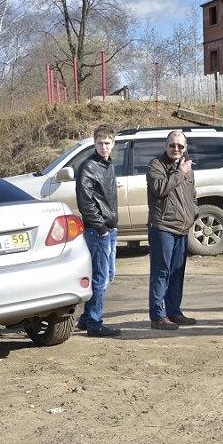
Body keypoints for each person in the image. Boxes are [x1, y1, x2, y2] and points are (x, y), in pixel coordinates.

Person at [146, 130, 199, 330]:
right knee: (161, 273)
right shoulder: (156, 165)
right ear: (165, 146)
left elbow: (192, 194)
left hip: (182, 229)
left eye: (180, 146)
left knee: (177, 272)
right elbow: (160, 188)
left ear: (185, 147)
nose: (176, 149)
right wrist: (179, 172)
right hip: (163, 228)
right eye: (172, 145)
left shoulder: (187, 168)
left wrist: (194, 212)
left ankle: (174, 312)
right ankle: (157, 316)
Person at [75, 124, 122, 337]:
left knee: (108, 275)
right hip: (97, 232)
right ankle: (94, 323)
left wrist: (110, 227)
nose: (104, 147)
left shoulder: (107, 164)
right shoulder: (88, 166)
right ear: (94, 143)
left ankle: (86, 319)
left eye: (107, 143)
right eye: (100, 143)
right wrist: (101, 228)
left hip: (110, 229)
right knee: (100, 277)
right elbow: (86, 202)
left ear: (113, 144)